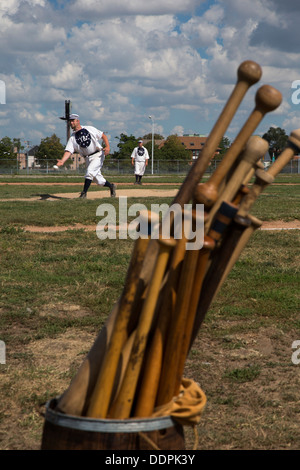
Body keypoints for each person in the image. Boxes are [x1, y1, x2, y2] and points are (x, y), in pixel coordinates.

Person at [56, 114, 116, 198]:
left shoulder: (89, 129)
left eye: (73, 120)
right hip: (87, 158)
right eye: (70, 121)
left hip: (98, 154)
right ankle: (111, 186)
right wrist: (62, 161)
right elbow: (68, 151)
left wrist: (108, 147)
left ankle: (84, 193)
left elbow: (103, 136)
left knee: (90, 172)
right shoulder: (73, 138)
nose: (71, 123)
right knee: (98, 180)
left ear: (78, 121)